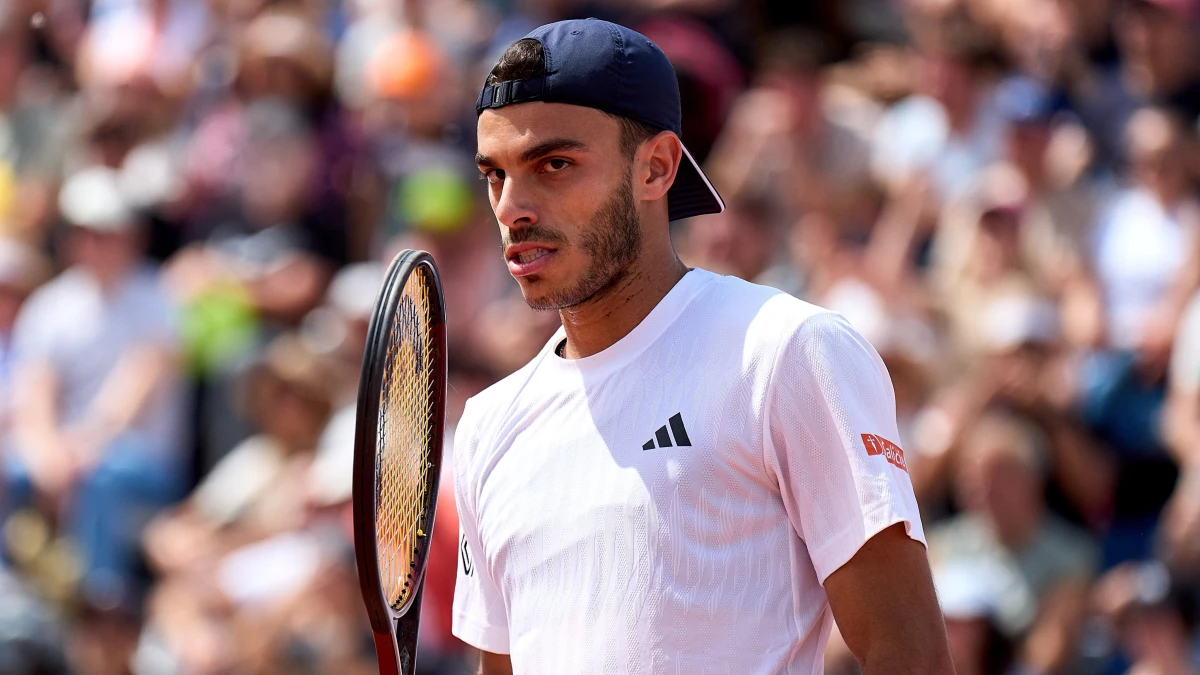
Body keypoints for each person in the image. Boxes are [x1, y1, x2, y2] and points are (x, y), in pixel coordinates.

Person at [454, 19, 953, 674]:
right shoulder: (487, 426)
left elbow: (908, 654)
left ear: (656, 167)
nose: (512, 206)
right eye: (496, 175)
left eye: (554, 164)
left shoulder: (786, 349)